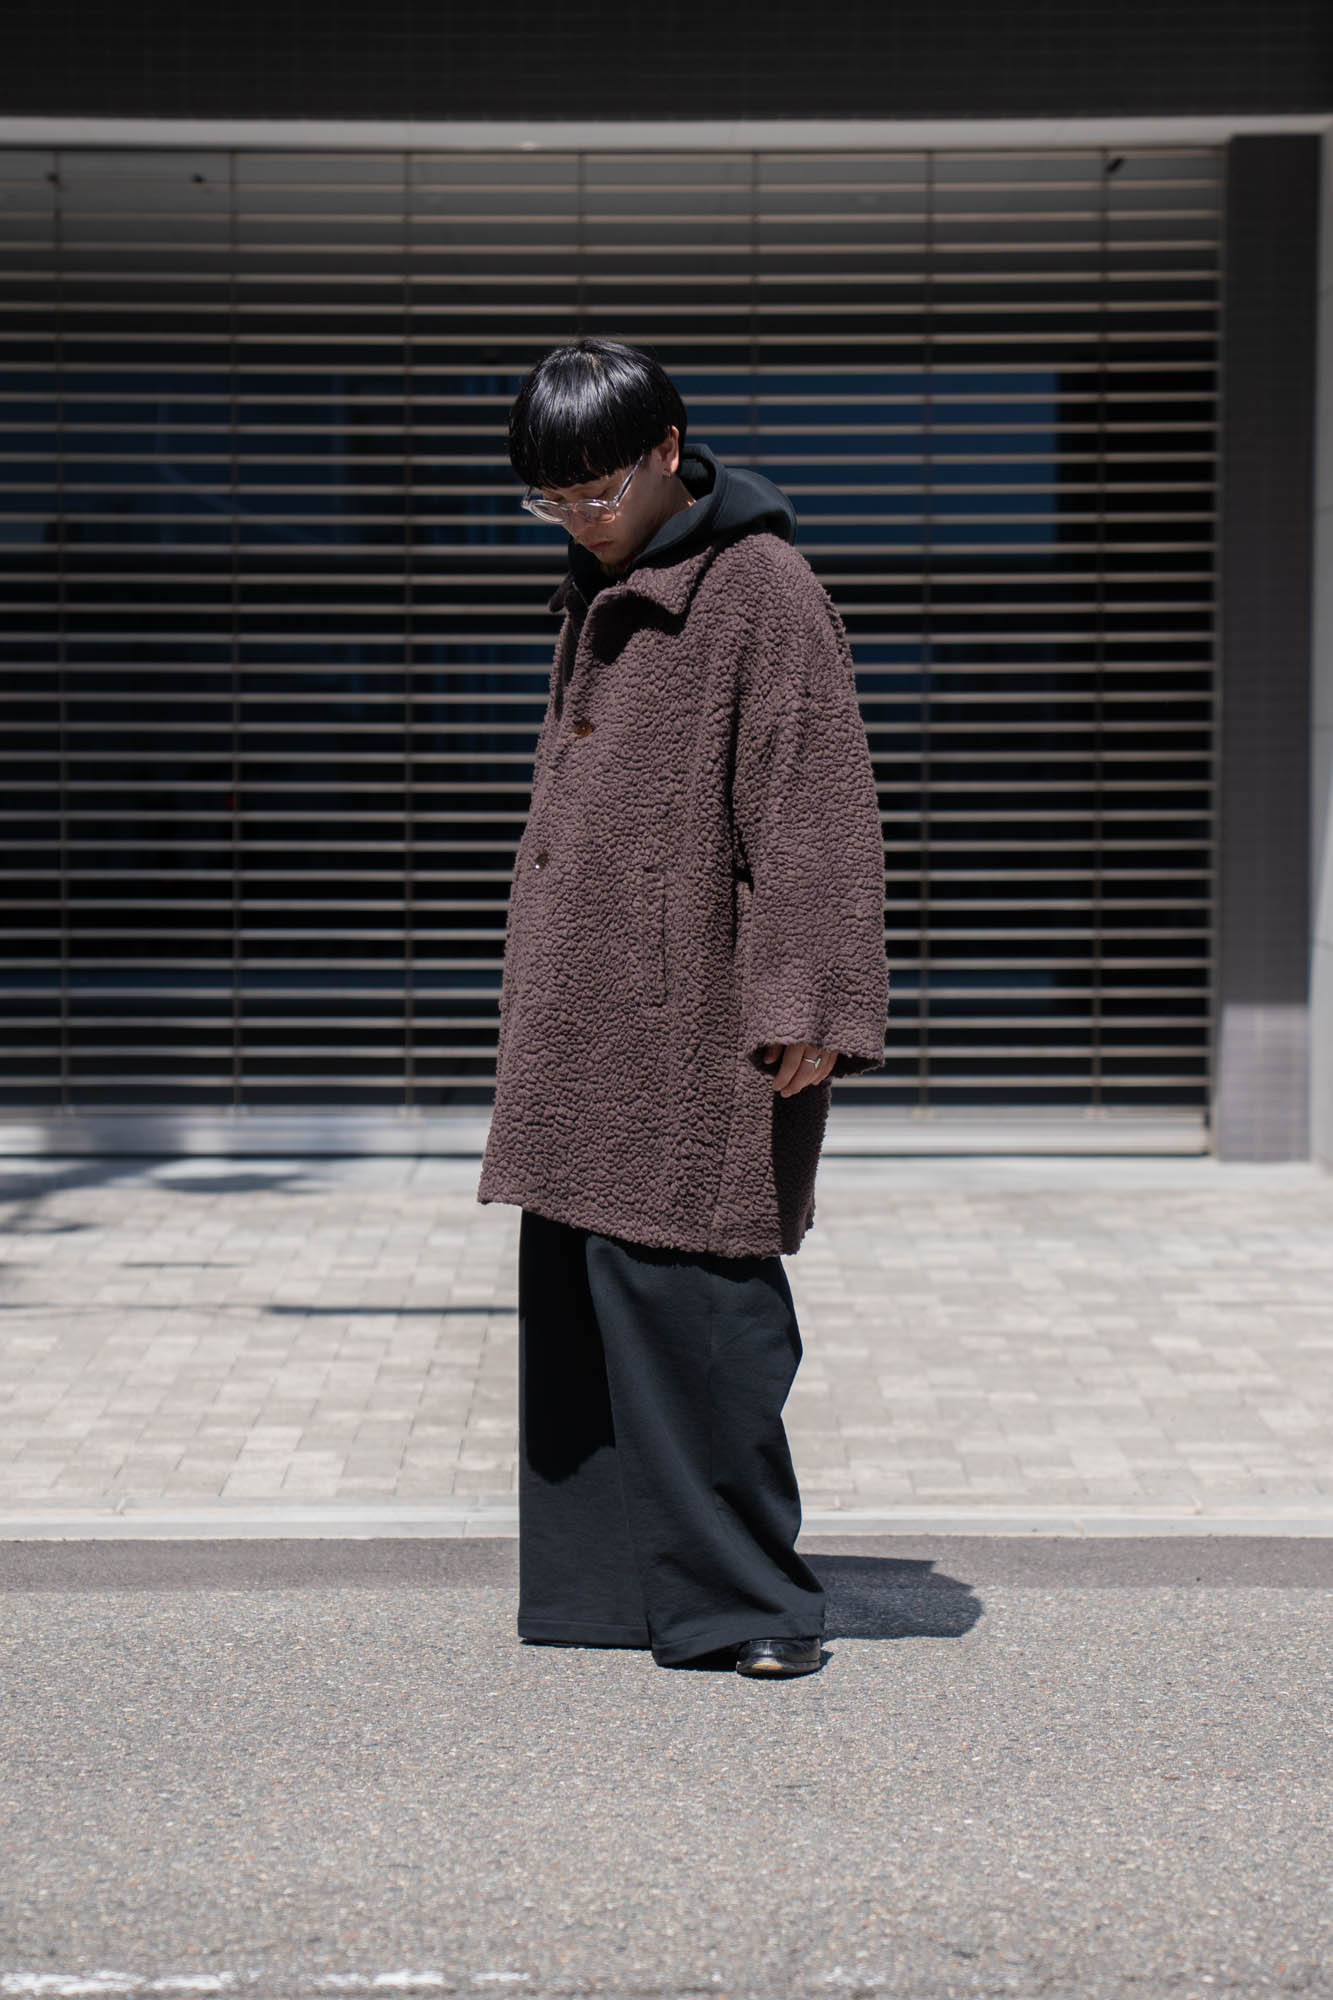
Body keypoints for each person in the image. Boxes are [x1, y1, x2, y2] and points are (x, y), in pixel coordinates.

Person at [476, 336, 889, 1678]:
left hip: (695, 1013)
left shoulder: (759, 588)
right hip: (589, 1007)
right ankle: (607, 1589)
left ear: (667, 449)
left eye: (596, 490)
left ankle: (750, 1603)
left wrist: (809, 999)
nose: (578, 518)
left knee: (703, 1306)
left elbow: (813, 805)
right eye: (551, 499)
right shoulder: (608, 579)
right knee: (587, 1296)